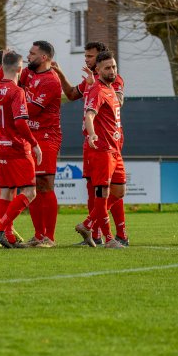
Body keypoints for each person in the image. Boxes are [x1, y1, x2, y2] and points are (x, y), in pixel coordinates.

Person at [56, 41, 129, 246]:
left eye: (90, 56)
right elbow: (75, 100)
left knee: (116, 191)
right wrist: (92, 134)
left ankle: (97, 227)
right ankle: (104, 237)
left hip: (112, 145)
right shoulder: (95, 85)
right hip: (98, 144)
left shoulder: (110, 83)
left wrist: (93, 83)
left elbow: (119, 102)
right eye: (86, 56)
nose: (86, 60)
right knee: (98, 191)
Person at [0, 51, 42, 248]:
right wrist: (34, 143)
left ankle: (6, 236)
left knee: (6, 191)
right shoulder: (17, 92)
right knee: (30, 191)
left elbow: (1, 73)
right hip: (17, 148)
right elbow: (20, 123)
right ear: (20, 69)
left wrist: (5, 60)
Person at [74, 51, 126, 249]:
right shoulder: (97, 89)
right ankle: (109, 239)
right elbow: (89, 115)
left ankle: (87, 224)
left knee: (119, 191)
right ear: (98, 70)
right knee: (102, 194)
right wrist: (93, 134)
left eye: (113, 67)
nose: (112, 70)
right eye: (107, 68)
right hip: (102, 149)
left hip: (115, 150)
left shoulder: (111, 89)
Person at [18, 41, 63, 247]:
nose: (28, 56)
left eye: (32, 53)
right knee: (31, 185)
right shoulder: (28, 74)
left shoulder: (52, 81)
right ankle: (38, 236)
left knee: (45, 184)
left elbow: (33, 110)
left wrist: (12, 104)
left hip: (47, 136)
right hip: (30, 136)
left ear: (44, 57)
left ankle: (50, 238)